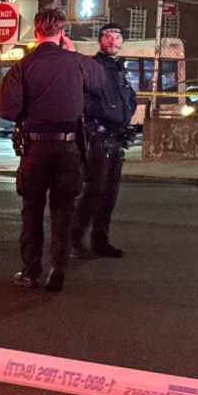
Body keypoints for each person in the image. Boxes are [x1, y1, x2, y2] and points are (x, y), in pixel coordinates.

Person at [0, 7, 104, 293]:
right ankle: (59, 265)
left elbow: (7, 109)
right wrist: (72, 51)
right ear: (62, 33)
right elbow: (100, 81)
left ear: (36, 32)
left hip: (35, 148)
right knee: (63, 208)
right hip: (68, 147)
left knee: (32, 210)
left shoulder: (22, 66)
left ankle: (31, 271)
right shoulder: (76, 62)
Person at [73, 22, 137, 258]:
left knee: (110, 193)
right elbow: (85, 100)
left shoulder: (120, 69)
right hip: (99, 136)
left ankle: (100, 240)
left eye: (117, 36)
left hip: (117, 138)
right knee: (95, 190)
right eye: (107, 36)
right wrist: (107, 114)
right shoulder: (94, 66)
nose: (112, 40)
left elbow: (129, 98)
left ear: (122, 42)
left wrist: (124, 116)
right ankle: (76, 235)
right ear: (100, 40)